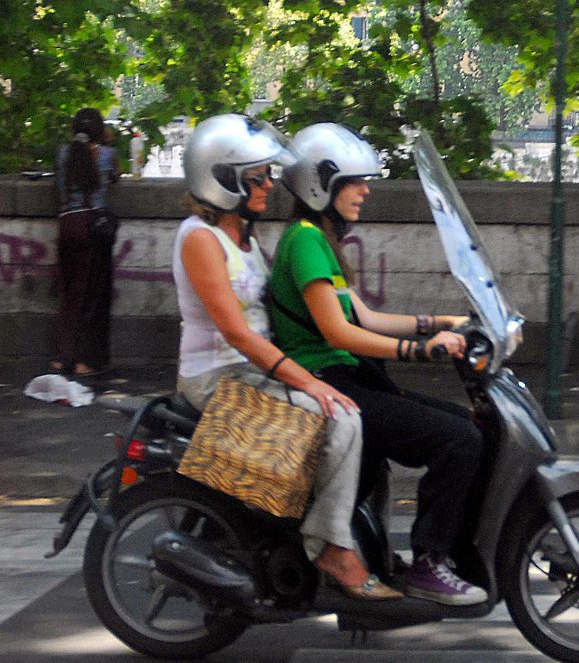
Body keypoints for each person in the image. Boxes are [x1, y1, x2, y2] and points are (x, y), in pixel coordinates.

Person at [174, 114, 400, 601]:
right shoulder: (199, 238)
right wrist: (309, 382)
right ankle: (331, 546)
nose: (268, 186)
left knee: (356, 415)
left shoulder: (244, 239)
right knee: (342, 417)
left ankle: (353, 541)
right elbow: (236, 332)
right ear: (223, 181)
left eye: (267, 176)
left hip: (252, 371)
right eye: (257, 178)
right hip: (216, 377)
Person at [269, 123, 486, 607]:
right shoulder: (304, 242)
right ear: (320, 184)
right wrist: (422, 351)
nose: (365, 191)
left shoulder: (320, 240)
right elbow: (339, 334)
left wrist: (441, 322)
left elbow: (364, 317)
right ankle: (430, 564)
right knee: (458, 439)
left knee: (471, 425)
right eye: (354, 182)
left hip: (349, 376)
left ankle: (435, 552)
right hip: (327, 382)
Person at [52, 108, 118, 377]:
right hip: (93, 227)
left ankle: (62, 358)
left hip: (68, 225)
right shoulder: (107, 155)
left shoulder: (62, 154)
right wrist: (106, 142)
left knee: (70, 295)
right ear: (101, 132)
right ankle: (86, 360)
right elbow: (113, 178)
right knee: (94, 296)